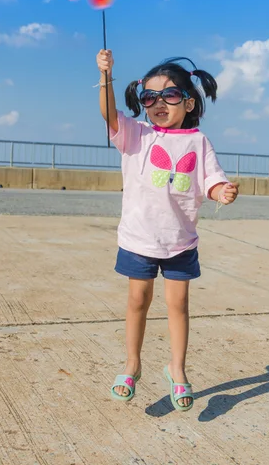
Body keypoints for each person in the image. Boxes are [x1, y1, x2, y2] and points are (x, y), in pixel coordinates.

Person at [96, 49, 239, 411]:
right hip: (139, 238)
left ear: (189, 102)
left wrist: (223, 191)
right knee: (137, 302)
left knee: (178, 305)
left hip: (180, 241)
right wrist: (106, 76)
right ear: (142, 102)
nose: (159, 103)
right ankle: (132, 364)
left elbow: (211, 180)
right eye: (150, 97)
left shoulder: (198, 142)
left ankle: (176, 368)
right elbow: (108, 113)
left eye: (170, 95)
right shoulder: (135, 134)